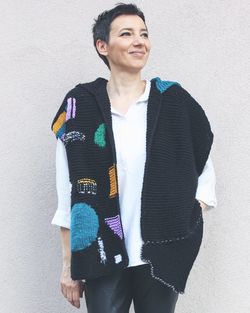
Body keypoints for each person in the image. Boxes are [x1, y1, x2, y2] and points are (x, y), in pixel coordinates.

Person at [50, 3, 217, 313]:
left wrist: (187, 220)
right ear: (103, 46)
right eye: (126, 34)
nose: (140, 41)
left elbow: (203, 173)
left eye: (144, 34)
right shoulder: (79, 106)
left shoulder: (174, 102)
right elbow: (67, 194)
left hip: (160, 254)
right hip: (101, 254)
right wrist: (68, 265)